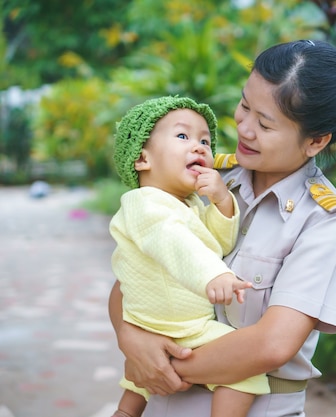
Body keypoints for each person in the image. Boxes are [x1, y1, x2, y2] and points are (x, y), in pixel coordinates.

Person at [108, 39, 336, 417]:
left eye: (263, 123)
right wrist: (132, 340)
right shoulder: (206, 179)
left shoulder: (323, 222)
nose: (243, 128)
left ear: (316, 140)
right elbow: (132, 275)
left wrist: (159, 368)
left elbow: (272, 345)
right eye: (245, 105)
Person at [108, 96, 270, 417]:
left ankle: (126, 412)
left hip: (164, 322)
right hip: (176, 324)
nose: (198, 147)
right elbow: (176, 243)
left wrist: (222, 201)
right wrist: (215, 275)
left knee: (138, 386)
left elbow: (215, 244)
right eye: (183, 137)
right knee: (246, 368)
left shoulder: (190, 203)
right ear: (142, 159)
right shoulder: (145, 203)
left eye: (205, 141)